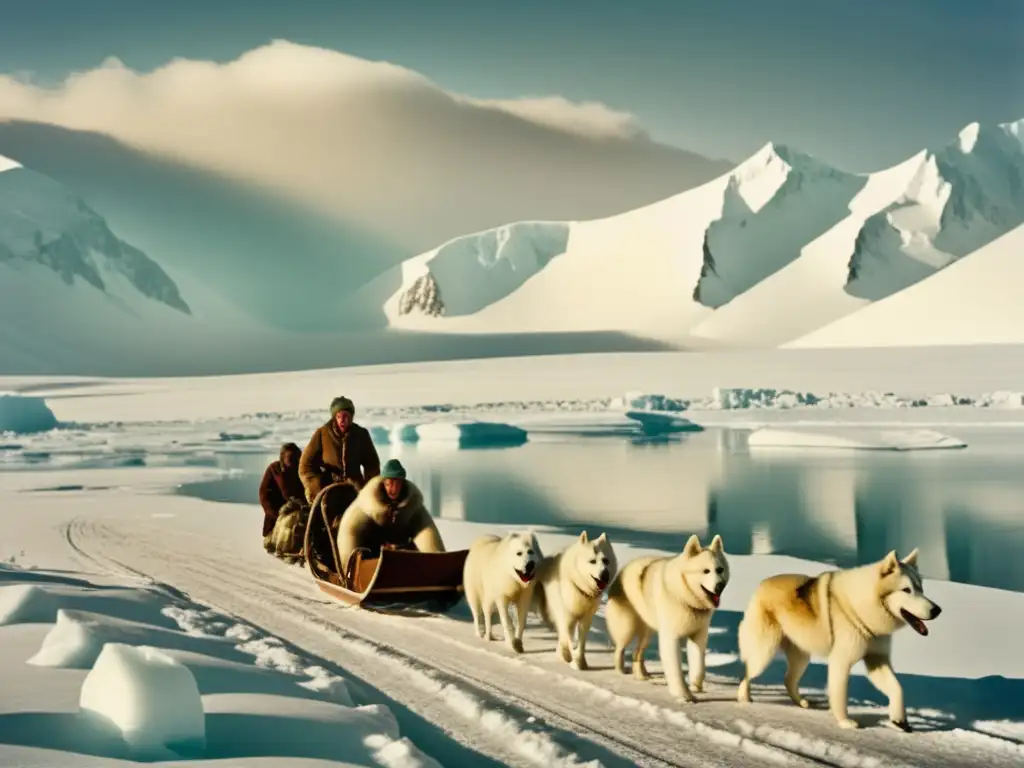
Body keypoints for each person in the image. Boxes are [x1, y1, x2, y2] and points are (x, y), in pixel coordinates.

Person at [334, 458, 445, 574]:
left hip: (398, 549)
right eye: (389, 484)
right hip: (369, 550)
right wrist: (348, 566)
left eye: (397, 483)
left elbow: (426, 529)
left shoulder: (412, 503)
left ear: (402, 484)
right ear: (384, 483)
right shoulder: (366, 503)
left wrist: (438, 562)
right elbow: (349, 531)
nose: (393, 489)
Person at [299, 396, 381, 504]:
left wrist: (368, 488)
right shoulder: (322, 434)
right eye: (338, 416)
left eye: (346, 416)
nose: (342, 420)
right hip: (328, 491)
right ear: (334, 418)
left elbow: (372, 464)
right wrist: (316, 486)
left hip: (355, 490)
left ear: (351, 417)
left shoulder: (361, 434)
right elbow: (305, 467)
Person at [258, 442, 307, 551]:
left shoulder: (302, 470)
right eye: (290, 458)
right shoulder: (274, 469)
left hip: (301, 510)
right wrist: (276, 514)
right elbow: (264, 494)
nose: (294, 462)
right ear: (283, 457)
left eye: (296, 458)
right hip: (279, 513)